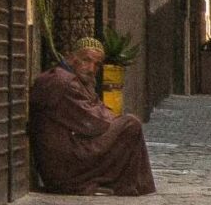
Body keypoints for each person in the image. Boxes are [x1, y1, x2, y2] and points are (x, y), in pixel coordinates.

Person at [29, 37, 157, 196]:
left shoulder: (73, 79)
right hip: (65, 164)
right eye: (86, 60)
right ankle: (128, 186)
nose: (91, 68)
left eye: (96, 64)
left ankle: (129, 185)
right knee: (130, 124)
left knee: (127, 125)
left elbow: (96, 112)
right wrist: (106, 114)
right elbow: (97, 122)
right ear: (71, 58)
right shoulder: (64, 82)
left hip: (63, 158)